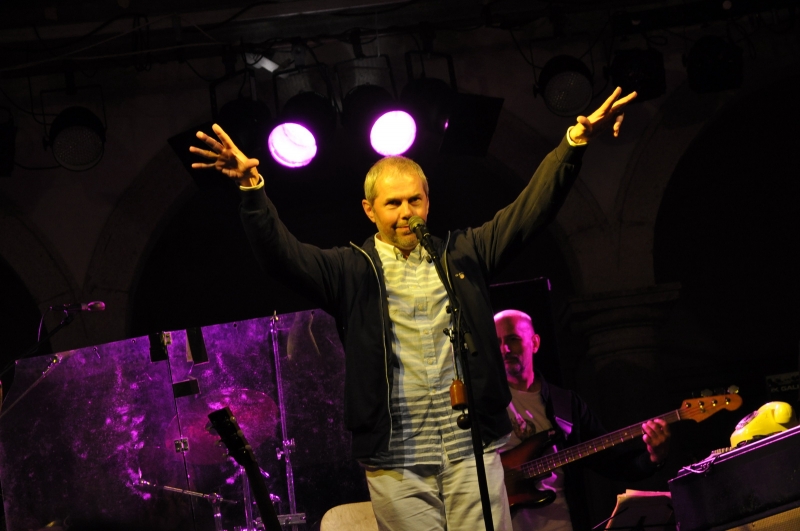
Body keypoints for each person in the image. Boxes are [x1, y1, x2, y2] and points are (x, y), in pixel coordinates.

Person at [190, 87, 638, 531]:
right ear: (369, 210)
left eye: (414, 200)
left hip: (472, 450)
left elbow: (529, 212)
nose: (406, 212)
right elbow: (281, 257)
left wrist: (572, 144)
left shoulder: (464, 254)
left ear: (428, 201)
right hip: (396, 460)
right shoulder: (351, 269)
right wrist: (251, 190)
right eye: (393, 203)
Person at [493, 309, 671, 531]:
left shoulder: (566, 404)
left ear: (535, 343)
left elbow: (613, 463)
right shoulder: (485, 405)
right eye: (497, 342)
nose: (505, 349)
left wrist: (654, 456)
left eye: (513, 339)